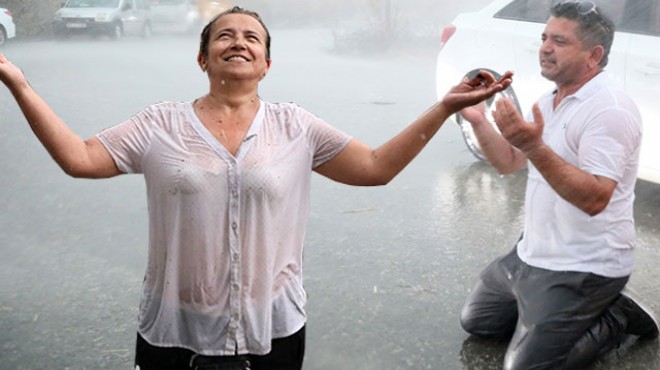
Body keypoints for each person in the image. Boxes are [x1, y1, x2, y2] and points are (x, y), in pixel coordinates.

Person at [0, 6, 512, 370]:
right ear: (203, 60)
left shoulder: (296, 126)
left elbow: (376, 167)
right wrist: (18, 83)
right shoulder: (158, 123)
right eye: (224, 35)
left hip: (272, 325)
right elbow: (79, 158)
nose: (238, 41)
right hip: (175, 326)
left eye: (252, 37)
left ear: (266, 63)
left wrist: (444, 108)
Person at [458, 1, 658, 369]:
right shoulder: (548, 102)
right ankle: (554, 313)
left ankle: (616, 317)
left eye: (560, 41)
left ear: (593, 55)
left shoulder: (609, 109)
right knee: (479, 323)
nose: (545, 47)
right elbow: (509, 162)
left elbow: (596, 197)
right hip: (531, 253)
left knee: (526, 367)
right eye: (544, 37)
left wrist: (533, 144)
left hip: (586, 266)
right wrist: (478, 121)